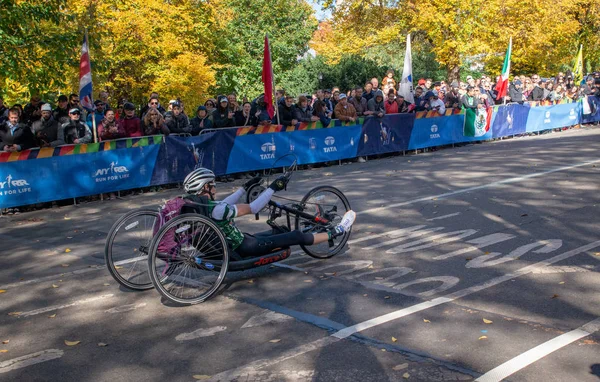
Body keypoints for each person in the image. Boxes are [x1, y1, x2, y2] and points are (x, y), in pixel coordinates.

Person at [179, 168, 356, 259]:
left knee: (280, 231)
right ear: (205, 188)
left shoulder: (201, 206)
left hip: (238, 242)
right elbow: (253, 208)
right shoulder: (218, 210)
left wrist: (244, 187)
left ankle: (320, 230)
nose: (215, 187)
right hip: (245, 247)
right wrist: (272, 188)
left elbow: (224, 203)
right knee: (295, 235)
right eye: (212, 184)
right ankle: (339, 229)